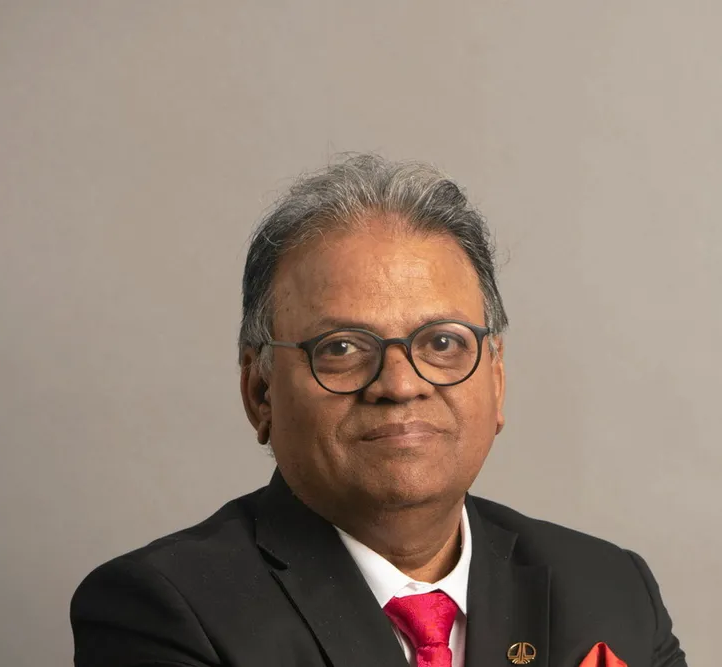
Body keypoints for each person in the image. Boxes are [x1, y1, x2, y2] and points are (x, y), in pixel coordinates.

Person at [70, 154, 687, 667]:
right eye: (341, 348)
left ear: (496, 380)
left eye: (442, 342)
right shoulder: (164, 610)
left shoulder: (611, 590)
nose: (400, 384)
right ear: (260, 392)